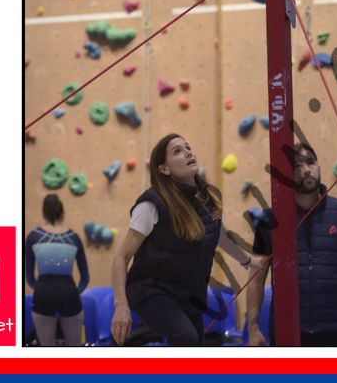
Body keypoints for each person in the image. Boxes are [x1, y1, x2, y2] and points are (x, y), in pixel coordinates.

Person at [110, 134, 265, 346]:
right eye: (178, 151)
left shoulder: (209, 197)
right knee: (186, 338)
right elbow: (121, 257)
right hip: (151, 290)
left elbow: (219, 235)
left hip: (190, 294)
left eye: (188, 148)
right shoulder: (151, 204)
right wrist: (121, 306)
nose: (188, 153)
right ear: (164, 169)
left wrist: (248, 261)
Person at [246, 142, 337, 347]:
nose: (306, 170)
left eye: (310, 162)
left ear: (318, 166)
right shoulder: (269, 220)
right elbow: (256, 278)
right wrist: (253, 328)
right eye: (297, 166)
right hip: (288, 330)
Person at [24, 192, 89, 345]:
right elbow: (85, 278)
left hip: (43, 294)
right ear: (62, 212)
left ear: (43, 213)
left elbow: (29, 277)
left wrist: (41, 289)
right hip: (69, 293)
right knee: (74, 348)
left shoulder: (34, 237)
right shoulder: (73, 237)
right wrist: (74, 292)